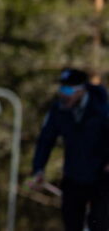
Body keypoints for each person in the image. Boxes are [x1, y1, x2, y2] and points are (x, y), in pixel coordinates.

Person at [28, 68, 109, 231]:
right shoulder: (58, 110)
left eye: (67, 90)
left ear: (81, 91)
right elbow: (45, 140)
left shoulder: (102, 109)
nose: (63, 95)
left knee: (99, 223)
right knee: (72, 223)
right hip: (73, 175)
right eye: (61, 89)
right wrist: (38, 169)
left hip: (101, 176)